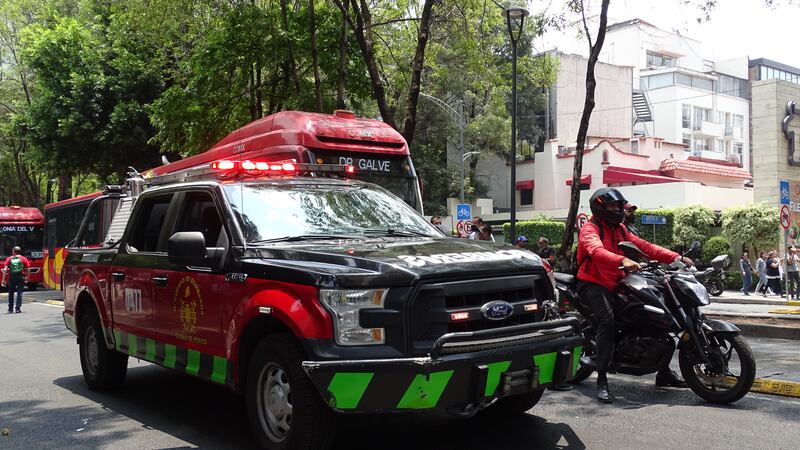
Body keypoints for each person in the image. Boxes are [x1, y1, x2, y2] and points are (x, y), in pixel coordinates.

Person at [576, 188, 693, 403]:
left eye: (619, 207)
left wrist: (675, 257)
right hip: (594, 283)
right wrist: (622, 261)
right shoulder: (590, 229)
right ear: (600, 208)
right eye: (612, 207)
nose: (617, 210)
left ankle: (664, 373)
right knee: (607, 323)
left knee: (654, 318)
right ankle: (602, 379)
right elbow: (596, 251)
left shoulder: (620, 230)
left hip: (618, 280)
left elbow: (645, 246)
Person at [4, 246, 30, 314]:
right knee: (19, 293)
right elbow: (28, 269)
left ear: (13, 251)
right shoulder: (24, 259)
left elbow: (5, 269)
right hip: (21, 277)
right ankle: (18, 308)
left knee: (11, 293)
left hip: (12, 277)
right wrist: (27, 277)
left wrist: (3, 279)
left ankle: (10, 308)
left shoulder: (9, 259)